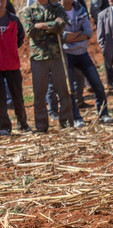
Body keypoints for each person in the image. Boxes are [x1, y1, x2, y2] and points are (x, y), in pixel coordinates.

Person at [22, 0, 73, 132]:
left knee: (63, 91)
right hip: (39, 58)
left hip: (57, 56)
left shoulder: (57, 7)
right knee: (39, 93)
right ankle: (41, 126)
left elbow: (61, 26)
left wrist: (42, 25)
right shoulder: (29, 10)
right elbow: (30, 32)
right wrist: (51, 26)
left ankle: (66, 122)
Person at [61, 0, 113, 125]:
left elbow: (88, 32)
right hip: (66, 55)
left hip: (82, 53)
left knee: (97, 84)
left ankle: (103, 114)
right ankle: (76, 118)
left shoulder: (80, 9)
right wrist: (78, 35)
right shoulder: (57, 11)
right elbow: (61, 36)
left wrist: (71, 37)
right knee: (70, 89)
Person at [0, 0, 31, 135]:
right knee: (0, 99)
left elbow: (21, 37)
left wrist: (10, 50)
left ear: (6, 2)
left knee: (17, 97)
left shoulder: (13, 20)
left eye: (2, 0)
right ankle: (4, 127)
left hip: (12, 65)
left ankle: (22, 124)